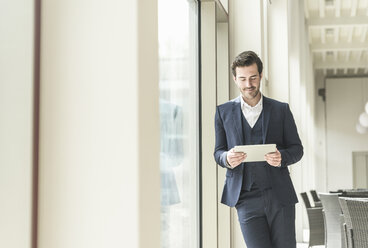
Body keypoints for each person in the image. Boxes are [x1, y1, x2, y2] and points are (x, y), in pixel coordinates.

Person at [214, 51, 303, 248]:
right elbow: (218, 152)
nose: (249, 84)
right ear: (235, 79)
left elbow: (297, 149)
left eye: (253, 77)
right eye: (243, 79)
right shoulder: (223, 112)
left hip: (279, 196)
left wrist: (282, 157)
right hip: (245, 198)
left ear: (261, 76)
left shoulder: (280, 110)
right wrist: (227, 157)